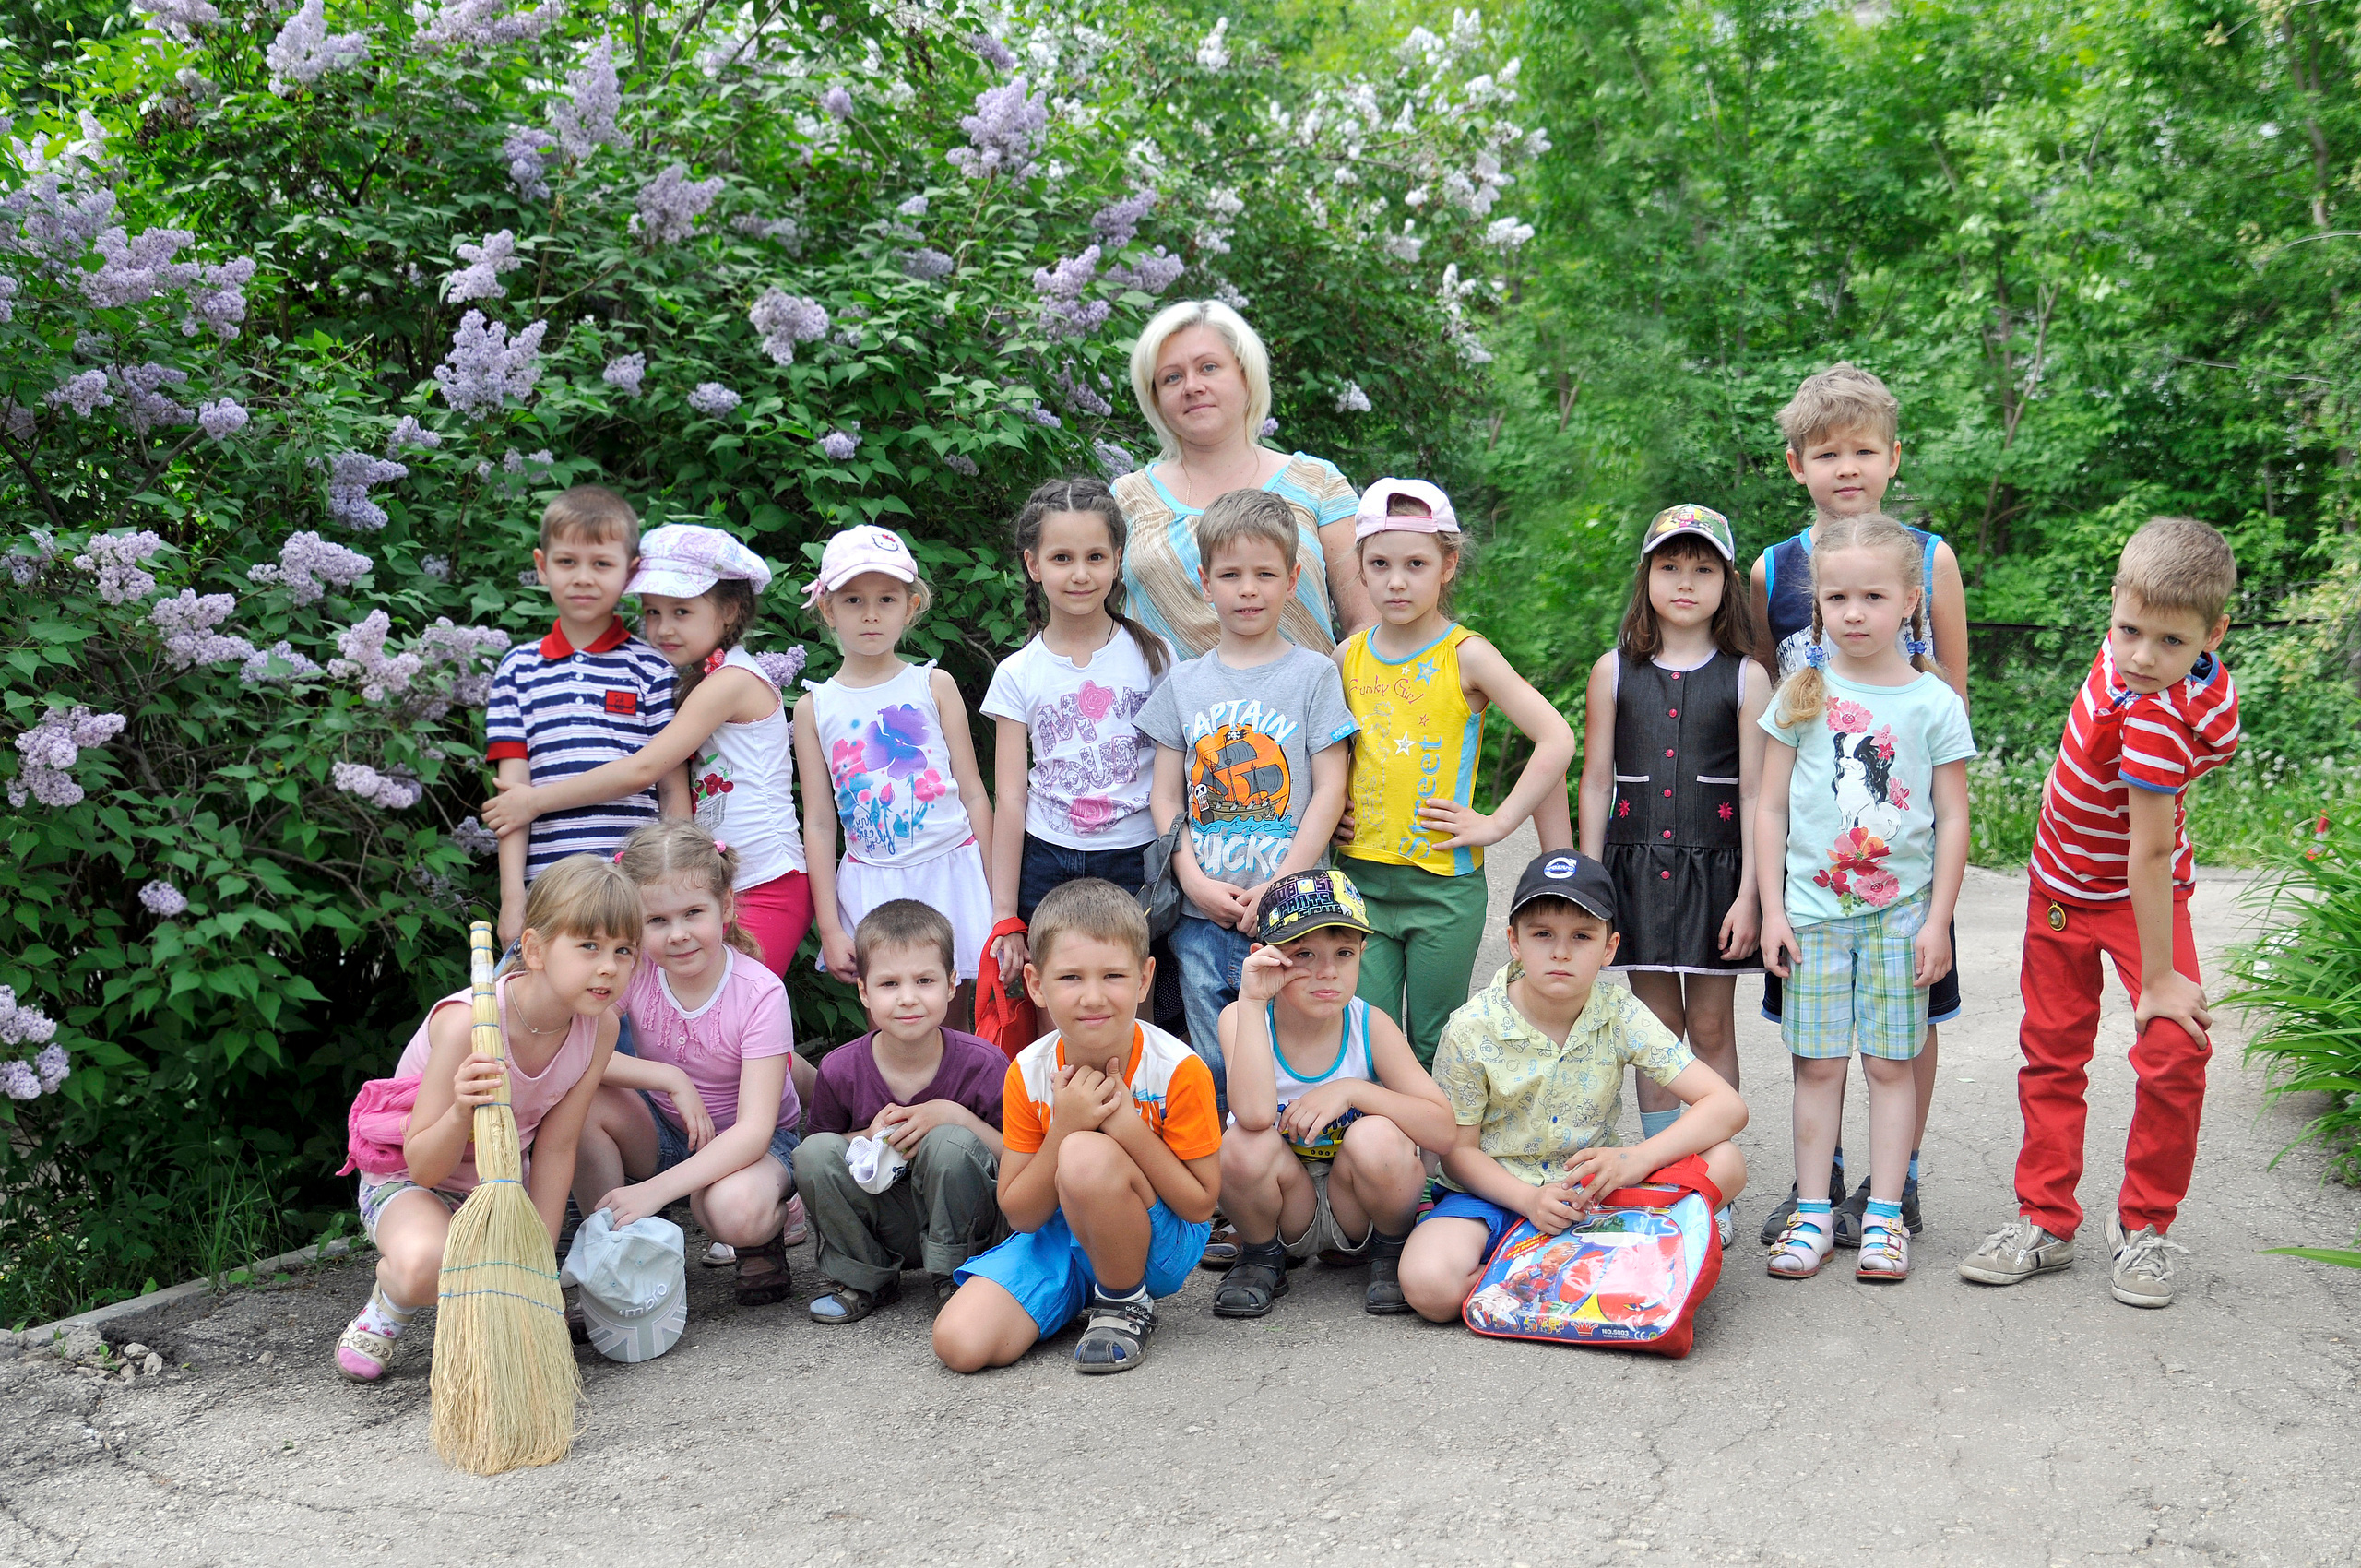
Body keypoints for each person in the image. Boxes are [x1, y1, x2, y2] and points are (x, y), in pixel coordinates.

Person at [1960, 518, 2241, 1309]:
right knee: (2051, 1053)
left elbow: (2148, 858)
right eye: (2129, 631)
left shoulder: (2154, 721)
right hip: (2057, 893)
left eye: (2171, 643)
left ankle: (2146, 1226)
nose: (2143, 658)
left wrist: (2158, 979)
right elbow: (2159, 644)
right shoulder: (2138, 651)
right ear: (2114, 606)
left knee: (2174, 1051)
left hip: (2136, 901)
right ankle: (2045, 1222)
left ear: (2213, 634)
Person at [1748, 364, 1970, 1248]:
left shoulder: (1930, 555)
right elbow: (1770, 695)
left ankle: (1895, 1177)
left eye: (1864, 451)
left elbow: (1952, 679)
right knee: (1816, 1039)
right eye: (1828, 453)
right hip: (1813, 851)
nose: (1848, 468)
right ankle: (1820, 1182)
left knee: (1909, 1020)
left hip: (1900, 846)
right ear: (1797, 463)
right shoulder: (1777, 566)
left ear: (1892, 457)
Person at [1397, 850, 1749, 1324]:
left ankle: (1555, 1268)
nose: (1560, 952)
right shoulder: (1471, 1027)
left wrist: (1637, 1158)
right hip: (1496, 1195)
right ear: (1514, 942)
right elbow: (1458, 1151)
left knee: (1726, 1160)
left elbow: (1726, 1106)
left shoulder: (1620, 1012)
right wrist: (1526, 1201)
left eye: (1581, 937)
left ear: (1609, 948)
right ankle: (1594, 1272)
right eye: (1542, 934)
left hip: (1595, 1192)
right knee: (1428, 1285)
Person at [334, 856, 638, 1381]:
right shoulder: (467, 1024)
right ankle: (392, 1296)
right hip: (412, 1183)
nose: (608, 966)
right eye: (588, 945)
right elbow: (423, 1166)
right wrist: (460, 1110)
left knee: (512, 1283)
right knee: (428, 1267)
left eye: (623, 950)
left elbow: (557, 1147)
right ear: (537, 950)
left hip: (498, 1185)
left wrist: (537, 1268)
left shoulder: (600, 1028)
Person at [481, 525, 812, 989]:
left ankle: (804, 1067)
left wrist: (534, 801)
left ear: (731, 610)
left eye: (681, 611)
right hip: (716, 887)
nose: (663, 628)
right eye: (652, 612)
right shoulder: (696, 679)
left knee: (738, 1014)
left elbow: (645, 767)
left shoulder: (731, 680)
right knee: (704, 1024)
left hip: (764, 880)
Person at [1577, 505, 1771, 1244]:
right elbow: (1596, 781)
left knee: (1712, 1023)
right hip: (1635, 873)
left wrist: (1753, 893)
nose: (1684, 581)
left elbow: (1757, 794)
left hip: (1720, 877)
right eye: (1669, 566)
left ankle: (1709, 1180)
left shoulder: (1746, 677)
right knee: (1653, 1029)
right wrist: (1591, 884)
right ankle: (1660, 1177)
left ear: (1727, 582)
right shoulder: (1613, 670)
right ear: (1647, 577)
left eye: (1702, 568)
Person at [933, 879, 1221, 1375]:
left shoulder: (1177, 1068)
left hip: (1160, 1241)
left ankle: (1125, 1302)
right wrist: (1064, 1126)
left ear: (1145, 978)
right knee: (959, 1343)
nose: (1093, 997)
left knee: (1085, 1156)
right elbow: (1022, 1213)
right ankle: (1077, 1292)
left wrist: (1128, 1130)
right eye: (1070, 978)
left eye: (1113, 975)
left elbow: (1200, 1205)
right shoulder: (1026, 1071)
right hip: (1059, 1236)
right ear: (1037, 983)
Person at [1337, 478, 1575, 1066]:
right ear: (1360, 570)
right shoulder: (1347, 656)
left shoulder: (1465, 653)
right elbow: (1326, 754)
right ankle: (1381, 1156)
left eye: (1416, 563)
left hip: (1442, 885)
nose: (1397, 580)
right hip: (1360, 879)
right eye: (1381, 564)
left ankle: (1440, 1158)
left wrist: (1497, 824)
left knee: (1436, 1039)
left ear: (1447, 565)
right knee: (1371, 1035)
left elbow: (1556, 737)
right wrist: (1328, 811)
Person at [1139, 489, 1358, 1112]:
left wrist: (1284, 884)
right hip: (1206, 909)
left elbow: (1330, 789)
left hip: (1294, 914)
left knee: (1294, 1040)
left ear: (1292, 580)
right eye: (1230, 575)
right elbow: (1164, 796)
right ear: (1204, 582)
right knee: (1212, 1054)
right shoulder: (1183, 682)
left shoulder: (1314, 675)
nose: (1248, 589)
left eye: (1265, 574)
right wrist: (1191, 878)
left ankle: (1290, 1167)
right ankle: (1219, 1177)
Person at [565, 822, 802, 1309]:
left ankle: (766, 1226)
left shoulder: (759, 992)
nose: (677, 935)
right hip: (669, 1131)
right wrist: (666, 1077)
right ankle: (616, 1249)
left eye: (694, 913)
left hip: (751, 1145)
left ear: (727, 907)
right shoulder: (633, 973)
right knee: (581, 1100)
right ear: (635, 923)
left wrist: (655, 1191)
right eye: (656, 921)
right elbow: (580, 1053)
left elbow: (756, 1130)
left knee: (733, 1211)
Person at [1211, 869, 1455, 1318]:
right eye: (1304, 953)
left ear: (1363, 952)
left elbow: (1442, 1130)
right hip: (1286, 1207)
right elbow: (1252, 1113)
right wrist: (1250, 1001)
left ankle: (1390, 1251)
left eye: (1344, 953)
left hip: (1358, 1206)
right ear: (1266, 957)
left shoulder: (1369, 1025)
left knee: (1378, 1135)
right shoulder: (1243, 1018)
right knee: (1242, 1143)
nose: (1327, 972)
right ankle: (1262, 1257)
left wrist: (1353, 1091)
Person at [792, 526, 997, 1016]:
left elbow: (973, 794)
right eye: (852, 600)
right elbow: (819, 823)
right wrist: (831, 926)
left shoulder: (935, 684)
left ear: (910, 607)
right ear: (827, 609)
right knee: (888, 1021)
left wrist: (998, 902)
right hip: (873, 884)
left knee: (960, 1020)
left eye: (886, 598)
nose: (870, 614)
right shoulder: (814, 707)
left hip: (953, 872)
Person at [984, 477, 1174, 984]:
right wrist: (1005, 912)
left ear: (1116, 560)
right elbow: (1010, 797)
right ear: (1033, 564)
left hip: (1136, 857)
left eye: (1095, 557)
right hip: (1046, 858)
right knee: (1055, 996)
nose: (1080, 574)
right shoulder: (1018, 674)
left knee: (1135, 992)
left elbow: (1177, 775)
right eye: (1062, 558)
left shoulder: (1154, 658)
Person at [484, 486, 688, 950]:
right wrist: (512, 898)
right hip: (551, 891)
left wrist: (675, 884)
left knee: (633, 1018)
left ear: (630, 572)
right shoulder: (516, 670)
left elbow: (672, 787)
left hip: (636, 893)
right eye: (567, 562)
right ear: (542, 565)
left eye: (601, 564)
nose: (583, 578)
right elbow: (512, 799)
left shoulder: (652, 669)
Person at [1115, 298, 1377, 657]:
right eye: (1172, 377)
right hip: (1163, 712)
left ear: (1246, 375)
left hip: (1304, 710)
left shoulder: (1319, 484)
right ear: (1156, 398)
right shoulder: (1126, 499)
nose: (1191, 386)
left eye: (1208, 367)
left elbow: (1367, 627)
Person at [797, 900, 1008, 1324]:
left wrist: (957, 1117)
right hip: (886, 1220)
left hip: (969, 1222)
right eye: (889, 984)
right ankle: (863, 1277)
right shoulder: (840, 1068)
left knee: (950, 1142)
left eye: (924, 980)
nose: (908, 999)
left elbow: (1021, 1156)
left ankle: (956, 1276)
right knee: (813, 1153)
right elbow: (820, 1156)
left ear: (952, 984)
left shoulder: (983, 1063)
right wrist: (864, 1135)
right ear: (863, 991)